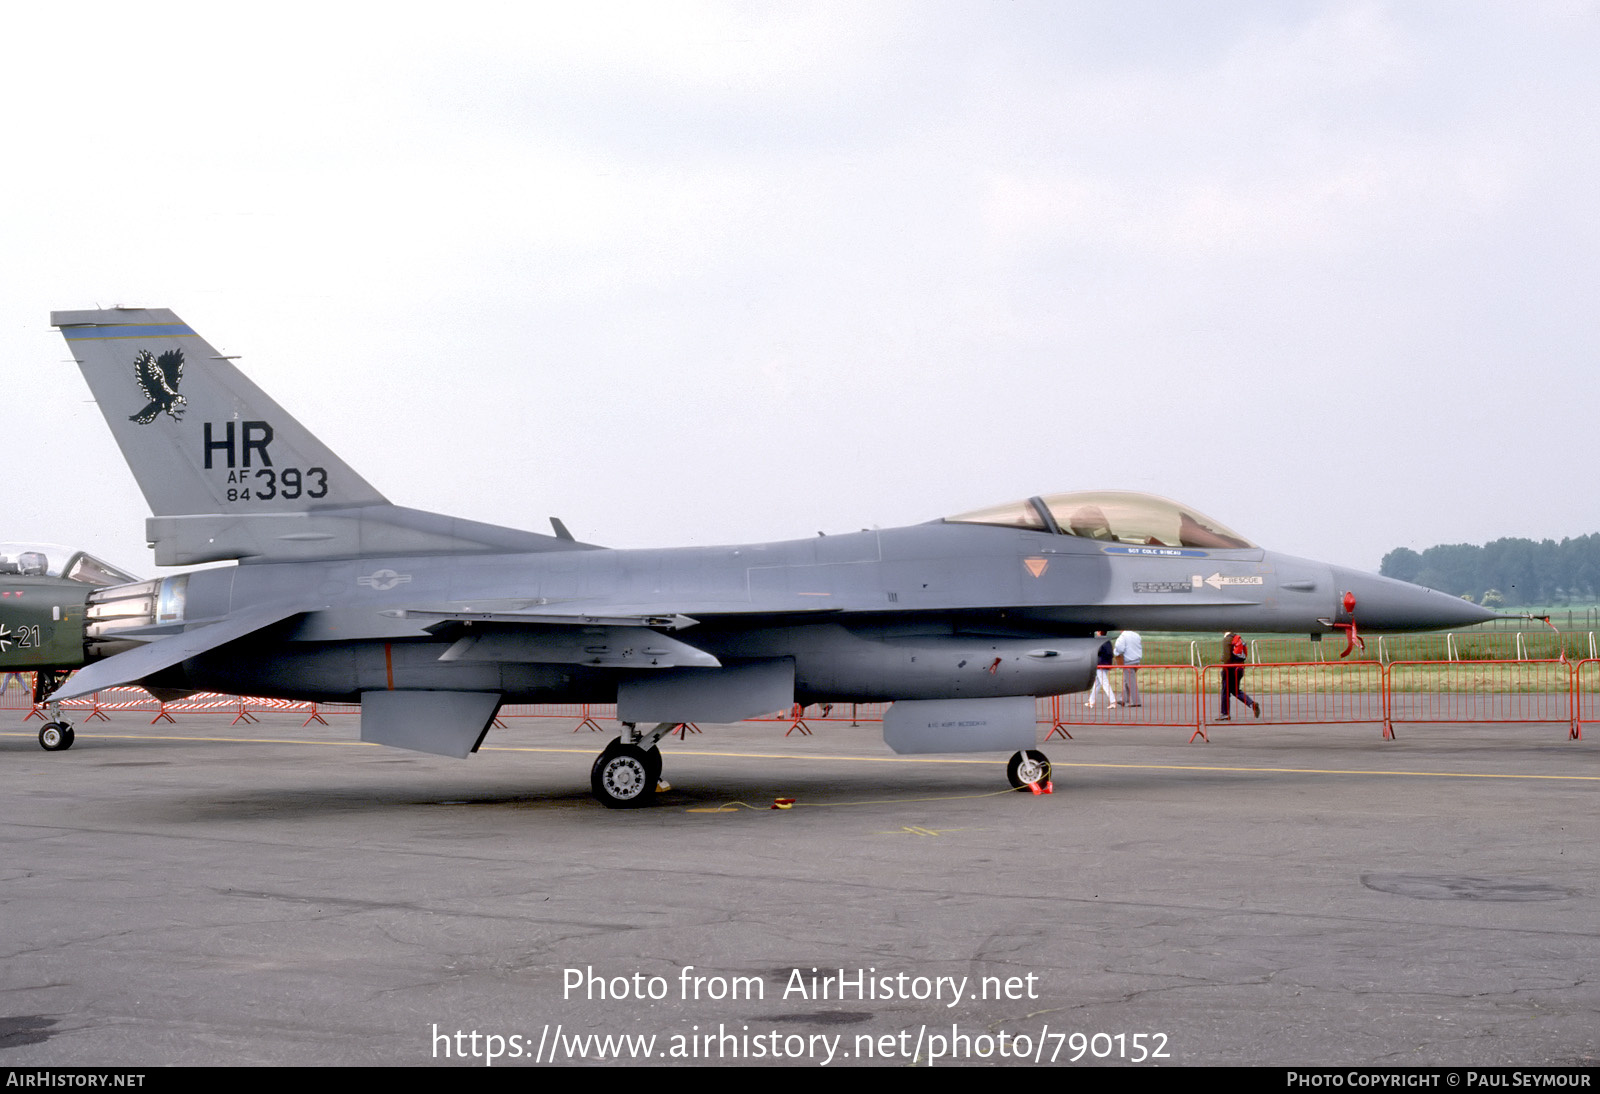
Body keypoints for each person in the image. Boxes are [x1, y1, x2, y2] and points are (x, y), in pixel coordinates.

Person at [1219, 631, 1260, 720]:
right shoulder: (1238, 638)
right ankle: (1251, 704)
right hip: (1240, 668)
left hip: (1230, 669)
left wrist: (1224, 669)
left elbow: (1227, 658)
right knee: (1235, 691)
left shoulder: (1227, 640)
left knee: (1225, 691)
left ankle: (1225, 713)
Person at [1086, 630, 1118, 708]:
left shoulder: (1099, 641)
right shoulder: (1108, 641)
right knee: (1097, 683)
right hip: (1107, 664)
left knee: (1104, 683)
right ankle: (1091, 701)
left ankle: (1113, 701)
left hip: (1100, 664)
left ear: (1100, 632)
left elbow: (1097, 651)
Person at [1114, 629, 1142, 706]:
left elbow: (1119, 648)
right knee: (1126, 680)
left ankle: (1136, 702)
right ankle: (1123, 699)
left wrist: (1115, 652)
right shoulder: (1137, 635)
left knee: (1130, 682)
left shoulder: (1123, 637)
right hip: (1136, 661)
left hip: (1128, 662)